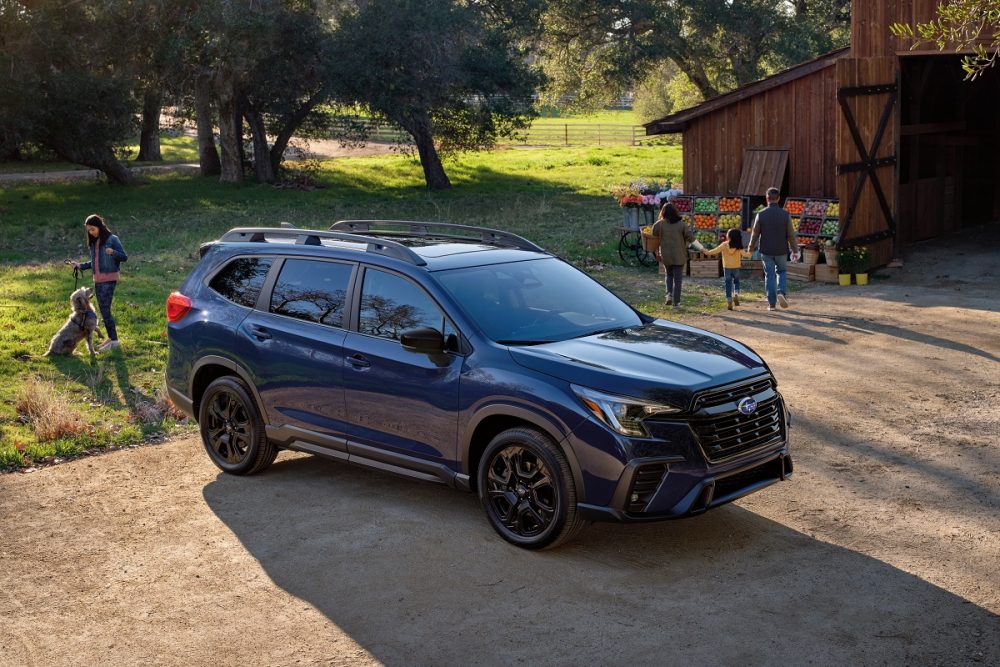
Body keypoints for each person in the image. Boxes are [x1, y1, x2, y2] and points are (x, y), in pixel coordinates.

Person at [73, 214, 127, 351]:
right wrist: (80, 265)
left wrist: (113, 252)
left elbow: (124, 257)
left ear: (99, 226)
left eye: (93, 229)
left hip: (109, 279)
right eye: (89, 230)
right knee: (104, 311)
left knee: (105, 311)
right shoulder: (94, 243)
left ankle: (114, 342)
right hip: (98, 280)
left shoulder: (112, 239)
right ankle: (111, 337)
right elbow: (95, 262)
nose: (91, 232)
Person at [748, 187, 796, 311]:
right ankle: (781, 292)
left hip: (766, 250)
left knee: (769, 275)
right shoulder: (785, 215)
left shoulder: (761, 214)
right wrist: (795, 250)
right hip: (781, 250)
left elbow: (755, 233)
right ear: (779, 199)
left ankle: (772, 304)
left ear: (767, 198)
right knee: (781, 272)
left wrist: (750, 248)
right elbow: (790, 234)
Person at [652, 202, 703, 307]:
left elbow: (653, 234)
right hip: (679, 255)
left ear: (663, 212)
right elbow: (691, 238)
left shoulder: (659, 224)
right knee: (678, 279)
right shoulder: (681, 225)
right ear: (675, 212)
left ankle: (668, 295)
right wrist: (702, 248)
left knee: (669, 275)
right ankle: (676, 302)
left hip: (666, 255)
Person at [704, 228, 751, 310]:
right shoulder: (738, 247)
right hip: (736, 267)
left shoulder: (724, 245)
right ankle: (736, 293)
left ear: (728, 236)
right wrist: (750, 253)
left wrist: (706, 252)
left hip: (727, 268)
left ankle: (729, 300)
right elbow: (746, 255)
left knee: (728, 284)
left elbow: (715, 251)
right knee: (736, 281)